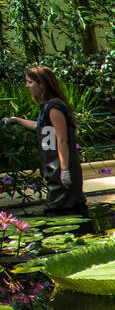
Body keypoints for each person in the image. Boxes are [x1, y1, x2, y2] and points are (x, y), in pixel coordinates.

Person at [1, 66, 87, 215]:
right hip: (53, 168)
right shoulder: (46, 107)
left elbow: (62, 139)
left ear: (41, 84)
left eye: (30, 82)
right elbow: (41, 127)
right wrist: (16, 120)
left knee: (62, 208)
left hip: (61, 166)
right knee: (60, 207)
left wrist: (65, 170)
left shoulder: (55, 107)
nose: (27, 86)